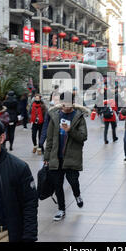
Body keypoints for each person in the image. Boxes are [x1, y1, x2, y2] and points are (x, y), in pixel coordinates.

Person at [43, 92, 88, 221]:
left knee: (73, 181)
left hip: (72, 157)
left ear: (73, 103)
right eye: (64, 104)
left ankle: (77, 195)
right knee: (58, 185)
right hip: (56, 157)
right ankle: (61, 209)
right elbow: (50, 139)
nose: (66, 107)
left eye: (69, 104)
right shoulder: (55, 116)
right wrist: (47, 158)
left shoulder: (78, 117)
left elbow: (83, 137)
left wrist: (70, 130)